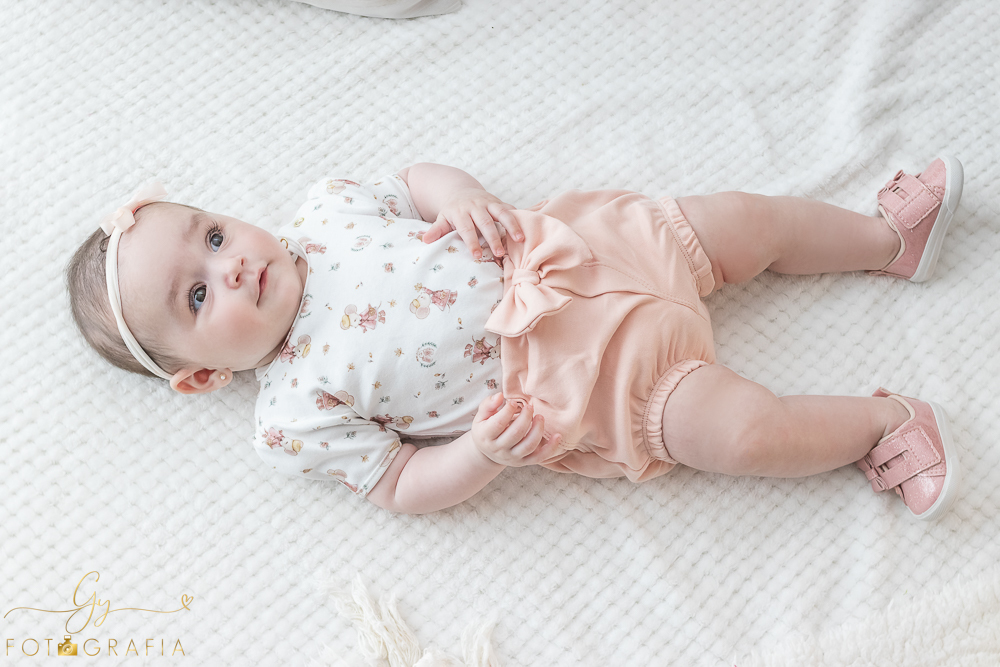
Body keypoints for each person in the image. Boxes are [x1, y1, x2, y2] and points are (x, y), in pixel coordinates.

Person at [67, 158, 964, 518]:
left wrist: (460, 199)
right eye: (195, 295)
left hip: (581, 250)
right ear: (198, 379)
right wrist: (483, 454)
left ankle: (887, 238)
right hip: (593, 381)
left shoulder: (327, 208)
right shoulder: (291, 412)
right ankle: (881, 425)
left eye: (215, 236)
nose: (227, 267)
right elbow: (403, 487)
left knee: (745, 220)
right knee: (742, 434)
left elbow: (418, 179)